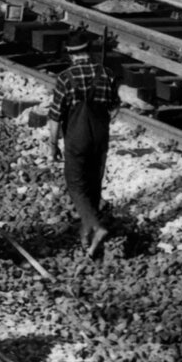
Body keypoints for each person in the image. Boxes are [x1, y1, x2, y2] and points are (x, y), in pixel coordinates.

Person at [50, 34, 119, 256]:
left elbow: (55, 116)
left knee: (75, 184)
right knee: (93, 184)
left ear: (71, 54)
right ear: (89, 50)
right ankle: (87, 235)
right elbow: (115, 107)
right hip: (100, 137)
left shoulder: (66, 78)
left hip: (76, 139)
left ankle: (97, 228)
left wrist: (53, 145)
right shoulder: (106, 74)